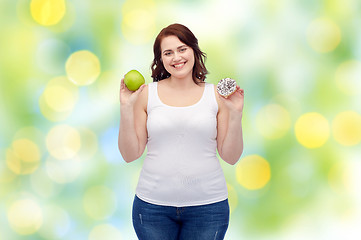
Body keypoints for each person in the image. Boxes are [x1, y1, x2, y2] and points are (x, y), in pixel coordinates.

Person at [118, 23, 244, 240]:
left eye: (182, 49)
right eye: (168, 53)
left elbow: (231, 157)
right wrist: (126, 109)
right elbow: (130, 155)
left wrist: (235, 114)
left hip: (209, 208)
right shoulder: (146, 94)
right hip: (152, 208)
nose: (176, 57)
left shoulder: (216, 96)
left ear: (194, 51)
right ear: (160, 60)